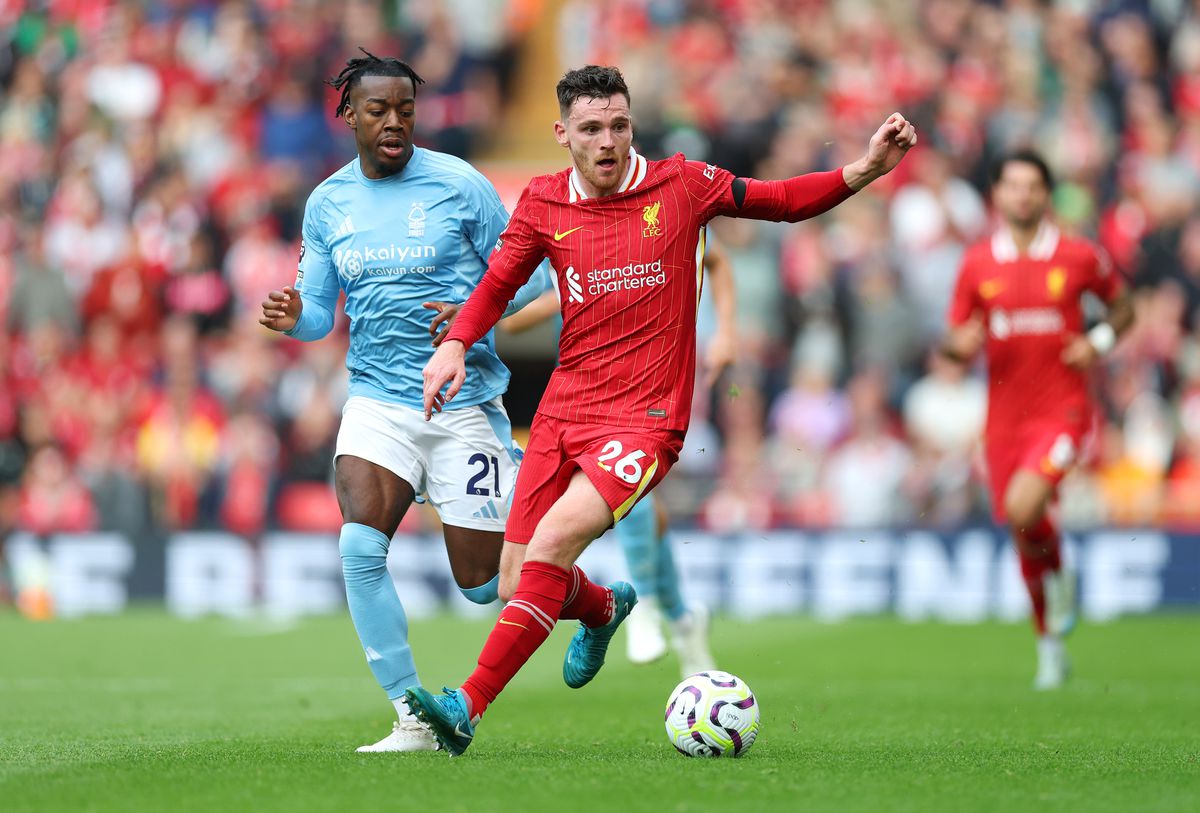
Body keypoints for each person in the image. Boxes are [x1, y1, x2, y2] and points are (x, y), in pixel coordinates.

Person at [407, 65, 915, 755]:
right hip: (564, 409)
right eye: (591, 128)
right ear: (563, 134)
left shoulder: (683, 184)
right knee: (513, 581)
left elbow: (783, 200)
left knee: (552, 546)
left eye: (618, 124)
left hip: (644, 419)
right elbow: (499, 283)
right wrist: (458, 343)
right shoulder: (544, 202)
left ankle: (465, 707)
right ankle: (603, 606)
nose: (608, 140)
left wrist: (864, 169)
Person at [258, 51, 550, 753]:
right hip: (378, 401)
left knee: (485, 585)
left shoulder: (460, 186)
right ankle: (410, 714)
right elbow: (321, 314)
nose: (394, 122)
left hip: (463, 402)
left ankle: (593, 603)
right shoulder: (328, 202)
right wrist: (295, 313)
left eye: (406, 110)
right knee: (360, 544)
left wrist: (472, 311)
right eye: (379, 110)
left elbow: (535, 278)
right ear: (349, 116)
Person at [498, 238, 740, 675]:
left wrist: (725, 331)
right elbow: (512, 324)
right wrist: (573, 290)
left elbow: (716, 259)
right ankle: (684, 619)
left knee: (635, 500)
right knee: (651, 520)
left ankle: (643, 604)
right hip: (583, 407)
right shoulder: (579, 243)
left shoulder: (656, 227)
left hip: (650, 397)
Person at [941, 150, 1134, 690]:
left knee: (1028, 505)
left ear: (1045, 194)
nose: (1022, 195)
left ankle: (1060, 575)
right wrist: (958, 346)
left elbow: (1126, 308)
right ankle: (1049, 643)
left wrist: (1097, 341)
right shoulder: (978, 262)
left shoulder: (1077, 255)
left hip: (1063, 411)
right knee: (1023, 528)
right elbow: (955, 340)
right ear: (997, 195)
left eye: (1032, 186)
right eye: (1013, 185)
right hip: (1003, 420)